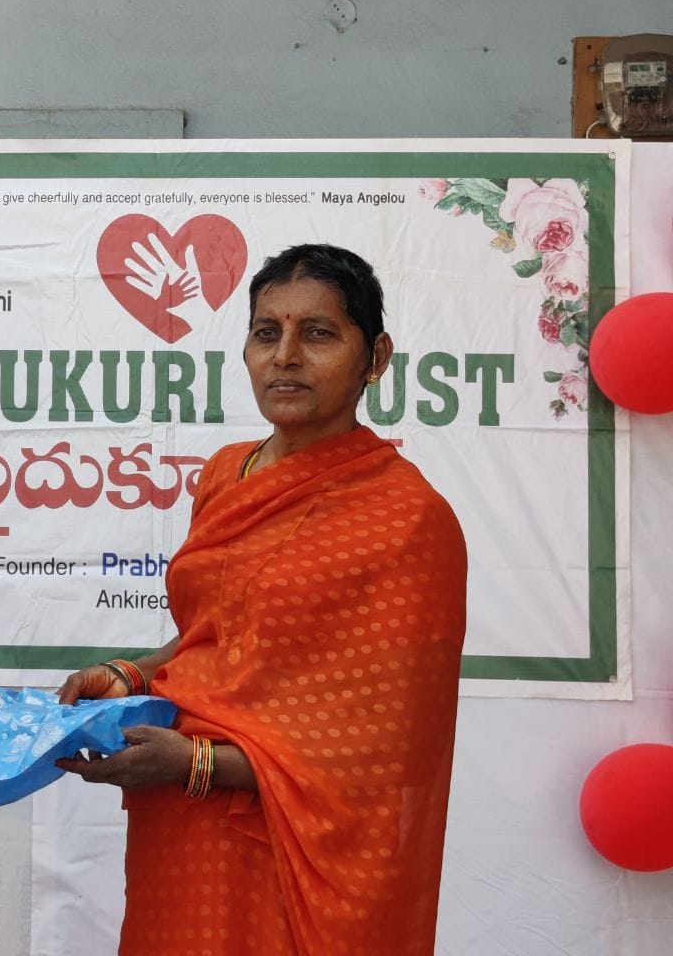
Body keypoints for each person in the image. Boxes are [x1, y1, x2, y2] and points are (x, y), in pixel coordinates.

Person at [57, 244, 468, 956]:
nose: (286, 356)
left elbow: (390, 750)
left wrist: (197, 764)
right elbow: (214, 633)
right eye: (266, 333)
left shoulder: (408, 518)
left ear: (375, 358)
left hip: (297, 841)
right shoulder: (228, 473)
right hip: (181, 826)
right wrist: (130, 675)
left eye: (319, 333)